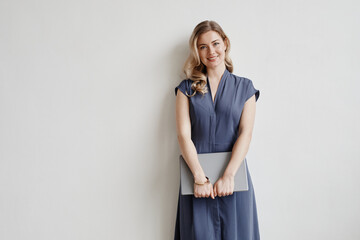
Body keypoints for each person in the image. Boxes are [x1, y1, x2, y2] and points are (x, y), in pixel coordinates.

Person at [174, 20, 261, 240]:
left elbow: (245, 134)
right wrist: (199, 178)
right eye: (203, 46)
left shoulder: (245, 88)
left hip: (234, 179)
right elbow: (183, 135)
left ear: (225, 44)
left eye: (215, 43)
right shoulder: (186, 89)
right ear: (197, 51)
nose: (211, 51)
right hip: (197, 181)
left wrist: (229, 175)